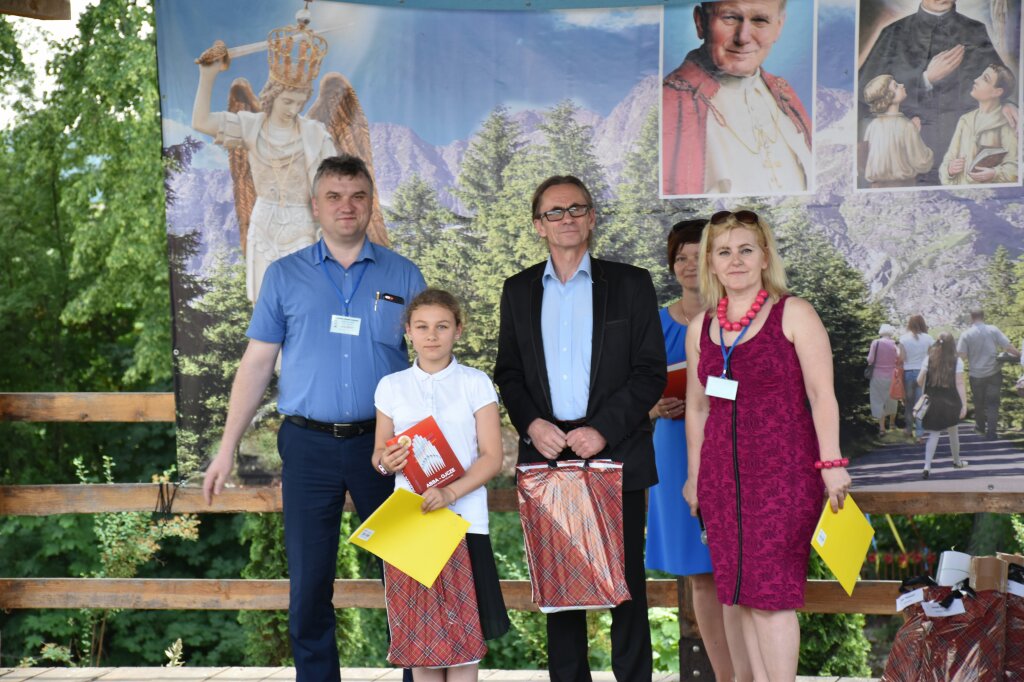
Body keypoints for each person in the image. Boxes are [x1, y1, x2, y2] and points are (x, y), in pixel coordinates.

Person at [202, 155, 426, 682]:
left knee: (410, 574)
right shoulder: (284, 276)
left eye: (357, 196)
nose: (347, 206)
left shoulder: (403, 274)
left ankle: (420, 675)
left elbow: (429, 364)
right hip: (308, 447)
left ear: (370, 204)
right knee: (308, 585)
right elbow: (257, 364)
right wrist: (226, 447)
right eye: (334, 196)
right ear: (315, 206)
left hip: (388, 446)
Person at [494, 175, 666, 682]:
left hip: (614, 450)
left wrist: (603, 430)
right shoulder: (518, 290)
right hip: (548, 455)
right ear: (538, 225)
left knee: (626, 586)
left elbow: (650, 371)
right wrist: (532, 424)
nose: (566, 218)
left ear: (591, 218)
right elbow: (508, 373)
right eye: (554, 211)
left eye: (576, 209)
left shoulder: (631, 284)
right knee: (561, 590)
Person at [682, 210, 850, 681]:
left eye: (746, 249)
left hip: (785, 477)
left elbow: (822, 394)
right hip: (721, 481)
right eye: (723, 251)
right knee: (737, 593)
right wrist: (695, 477)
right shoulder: (700, 328)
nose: (735, 260)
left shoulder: (794, 313)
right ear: (710, 263)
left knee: (771, 597)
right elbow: (697, 408)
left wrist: (832, 463)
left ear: (764, 256)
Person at [372, 289, 510, 681]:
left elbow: (492, 457)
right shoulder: (391, 386)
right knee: (421, 648)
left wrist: (450, 492)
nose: (431, 335)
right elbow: (379, 454)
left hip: (464, 522)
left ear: (458, 330)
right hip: (410, 523)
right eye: (422, 327)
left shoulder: (476, 383)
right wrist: (385, 461)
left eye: (442, 326)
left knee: (465, 645)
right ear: (408, 332)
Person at [645, 219, 748, 681]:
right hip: (673, 451)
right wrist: (653, 407)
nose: (689, 265)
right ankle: (726, 676)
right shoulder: (654, 323)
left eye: (697, 255)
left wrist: (704, 397)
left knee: (737, 569)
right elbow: (628, 390)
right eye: (680, 257)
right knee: (700, 574)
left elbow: (757, 385)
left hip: (732, 445)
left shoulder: (740, 317)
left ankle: (750, 674)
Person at [192, 34, 337, 304]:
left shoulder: (315, 134)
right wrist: (207, 75)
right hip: (263, 224)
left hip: (301, 225)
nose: (293, 109)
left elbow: (336, 187)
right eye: (287, 101)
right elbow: (201, 122)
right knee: (264, 303)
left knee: (302, 301)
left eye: (300, 102)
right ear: (272, 95)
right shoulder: (251, 126)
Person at [662, 0, 812, 196]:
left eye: (760, 20)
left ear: (778, 27)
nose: (743, 38)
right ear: (700, 22)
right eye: (730, 18)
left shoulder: (785, 95)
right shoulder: (670, 102)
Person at [858, 0, 1012, 186]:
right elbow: (865, 94)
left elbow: (999, 83)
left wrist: (1006, 104)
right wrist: (925, 79)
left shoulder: (975, 30)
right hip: (907, 156)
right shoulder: (893, 32)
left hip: (963, 150)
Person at [939, 64, 1019, 186]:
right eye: (980, 76)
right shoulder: (965, 120)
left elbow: (1015, 166)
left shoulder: (1007, 122)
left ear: (997, 92)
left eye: (985, 79)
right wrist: (949, 170)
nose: (976, 80)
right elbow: (949, 158)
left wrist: (995, 173)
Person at [861, 74, 934, 187]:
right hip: (903, 186)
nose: (902, 85)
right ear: (887, 97)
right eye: (896, 86)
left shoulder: (872, 126)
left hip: (876, 187)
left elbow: (864, 159)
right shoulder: (907, 126)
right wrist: (916, 135)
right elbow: (922, 163)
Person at [957, 309, 1019, 440]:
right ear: (983, 316)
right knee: (993, 403)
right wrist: (1020, 355)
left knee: (979, 403)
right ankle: (992, 432)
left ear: (971, 318)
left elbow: (962, 355)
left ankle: (980, 427)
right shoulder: (993, 330)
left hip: (976, 374)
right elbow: (1008, 347)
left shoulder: (966, 334)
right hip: (994, 373)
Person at [916, 333, 968, 479]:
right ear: (952, 344)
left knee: (934, 434)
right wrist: (964, 405)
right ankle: (957, 462)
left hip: (932, 402)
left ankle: (927, 466)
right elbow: (959, 383)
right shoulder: (957, 361)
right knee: (953, 432)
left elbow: (919, 381)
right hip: (951, 401)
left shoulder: (929, 359)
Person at [898, 314, 934, 440]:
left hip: (908, 372)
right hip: (923, 372)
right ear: (922, 323)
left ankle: (908, 429)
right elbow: (932, 357)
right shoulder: (928, 338)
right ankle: (919, 433)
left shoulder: (903, 339)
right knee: (921, 402)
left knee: (909, 402)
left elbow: (902, 358)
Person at [867, 324, 901, 436]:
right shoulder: (894, 344)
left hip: (877, 376)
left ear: (881, 332)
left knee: (878, 401)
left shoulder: (875, 343)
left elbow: (870, 359)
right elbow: (899, 358)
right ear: (891, 333)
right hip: (892, 376)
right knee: (892, 400)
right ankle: (892, 423)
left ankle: (882, 428)